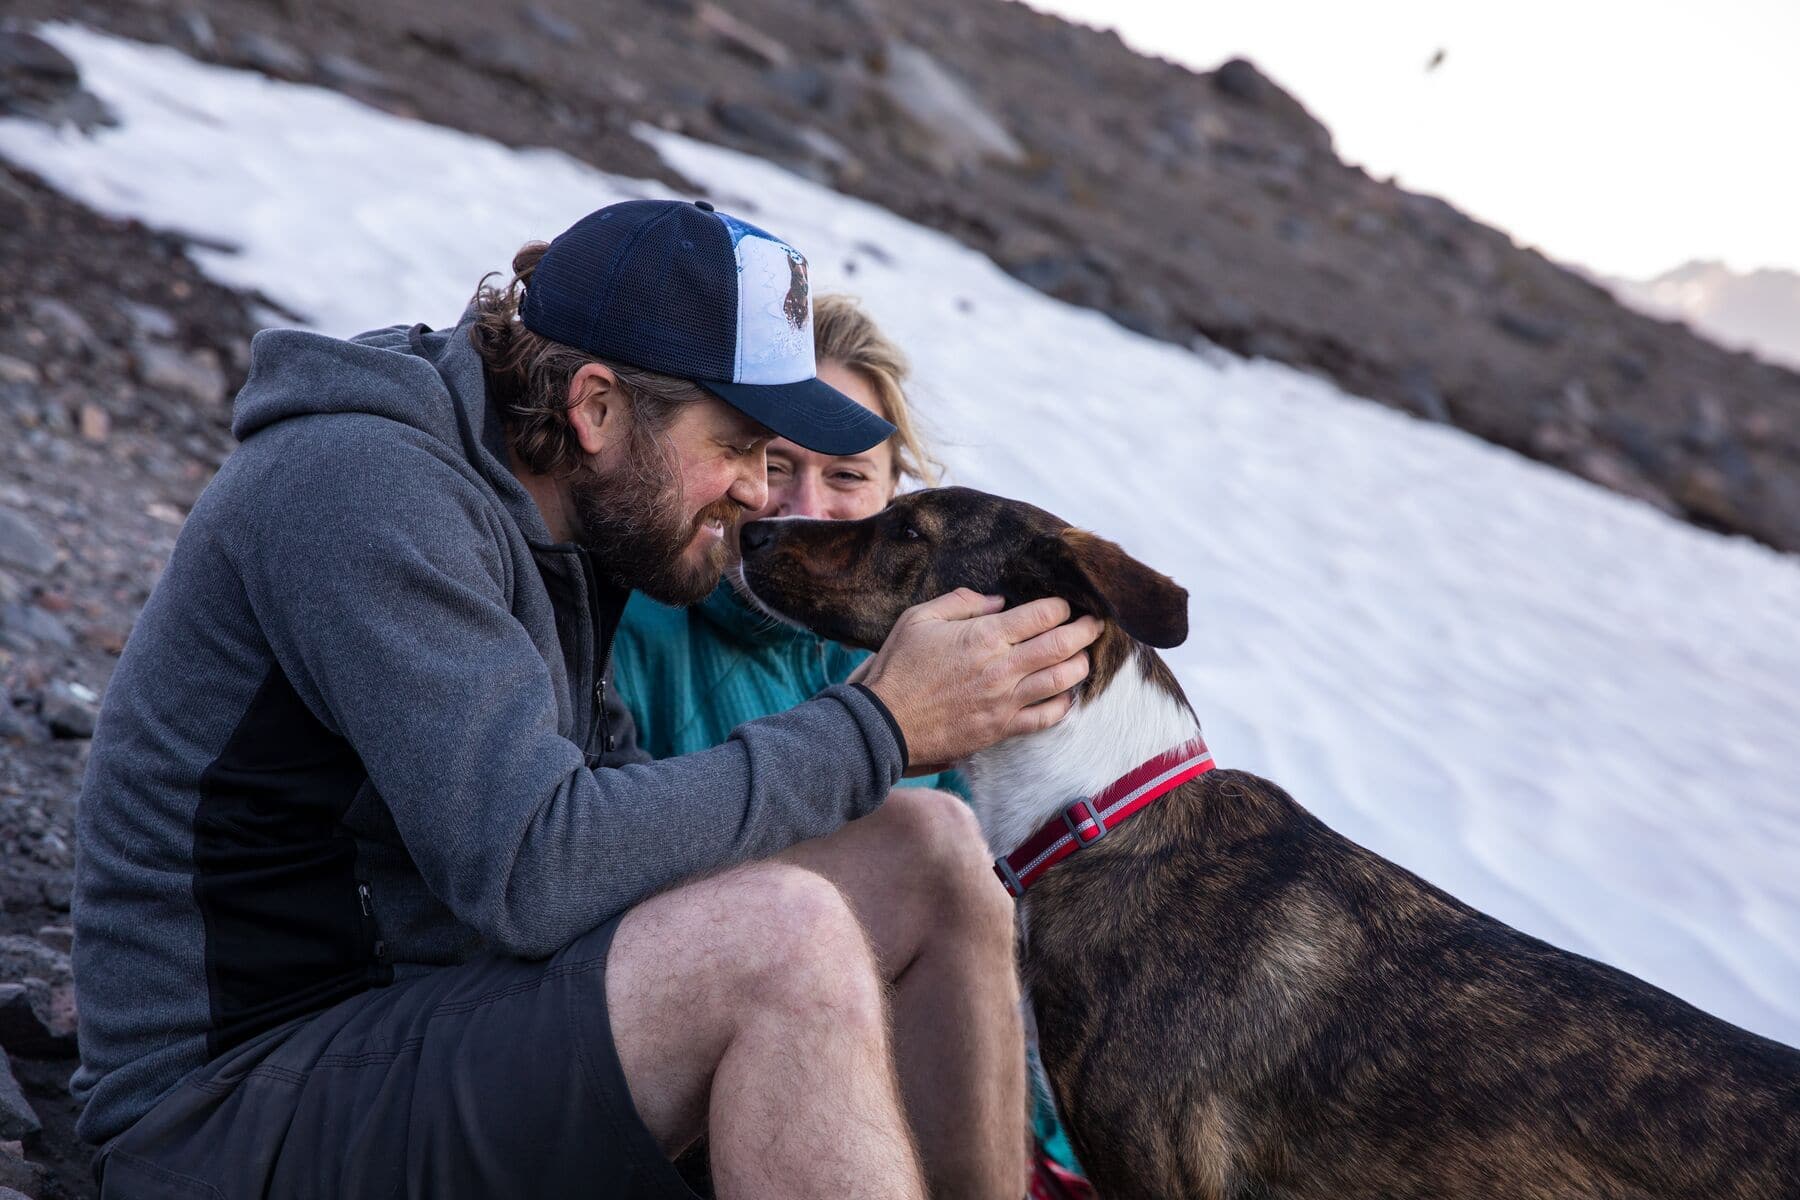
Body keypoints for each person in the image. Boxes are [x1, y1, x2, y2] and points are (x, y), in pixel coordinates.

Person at [70, 199, 1100, 1200]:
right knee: (778, 939)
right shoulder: (366, 490)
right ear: (597, 406)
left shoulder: (567, 515)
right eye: (740, 447)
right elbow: (530, 868)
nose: (757, 493)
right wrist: (876, 725)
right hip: (234, 1105)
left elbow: (605, 809)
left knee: (927, 848)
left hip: (429, 1020)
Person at [611, 294, 1091, 1188]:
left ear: (894, 498)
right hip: (707, 1043)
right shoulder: (640, 627)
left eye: (846, 479)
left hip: (896, 1094)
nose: (805, 508)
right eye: (778, 464)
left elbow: (983, 961)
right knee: (934, 843)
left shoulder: (927, 664)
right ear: (735, 468)